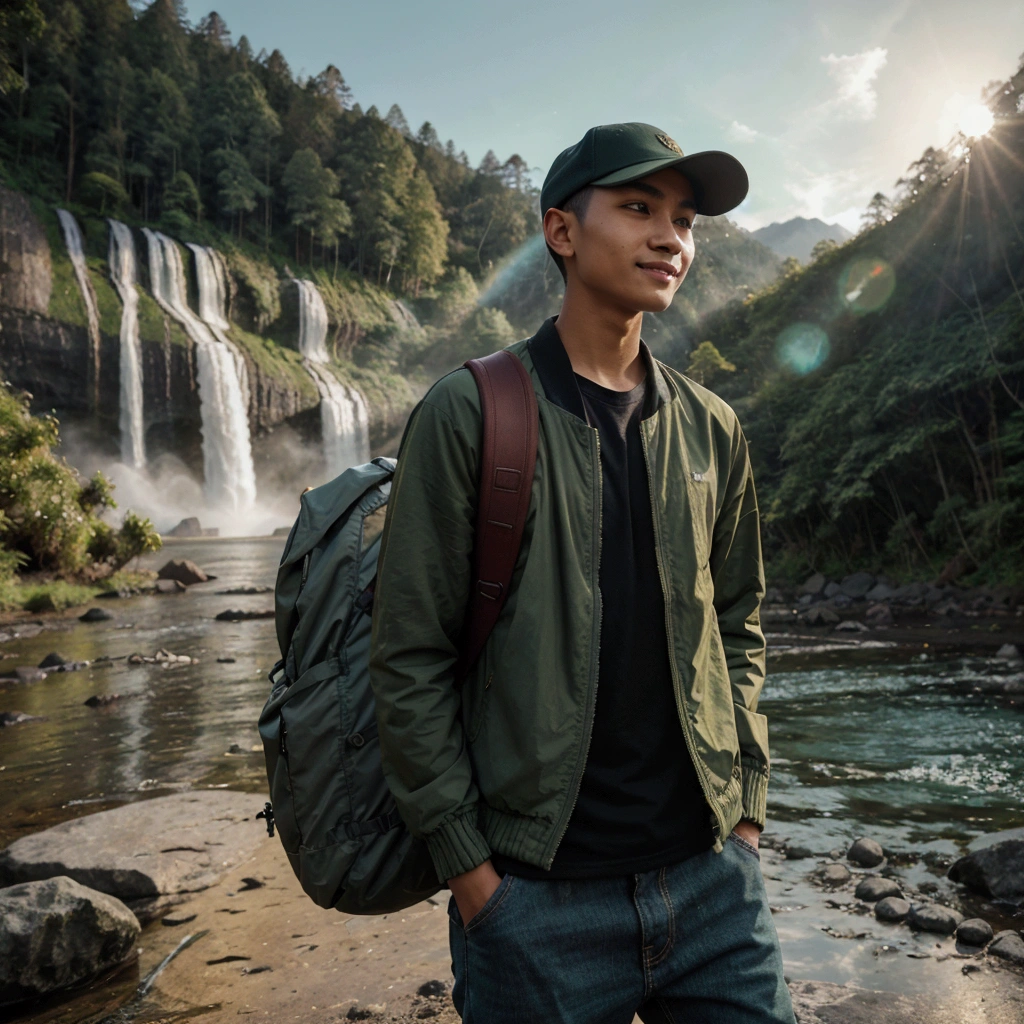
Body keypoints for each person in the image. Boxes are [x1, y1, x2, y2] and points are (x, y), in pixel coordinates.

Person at [368, 122, 795, 1024]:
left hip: (714, 885)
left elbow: (741, 624)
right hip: (535, 903)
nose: (670, 236)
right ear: (561, 231)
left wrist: (747, 811)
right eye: (638, 207)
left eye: (684, 219)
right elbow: (409, 656)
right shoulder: (472, 412)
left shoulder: (712, 428)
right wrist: (474, 878)